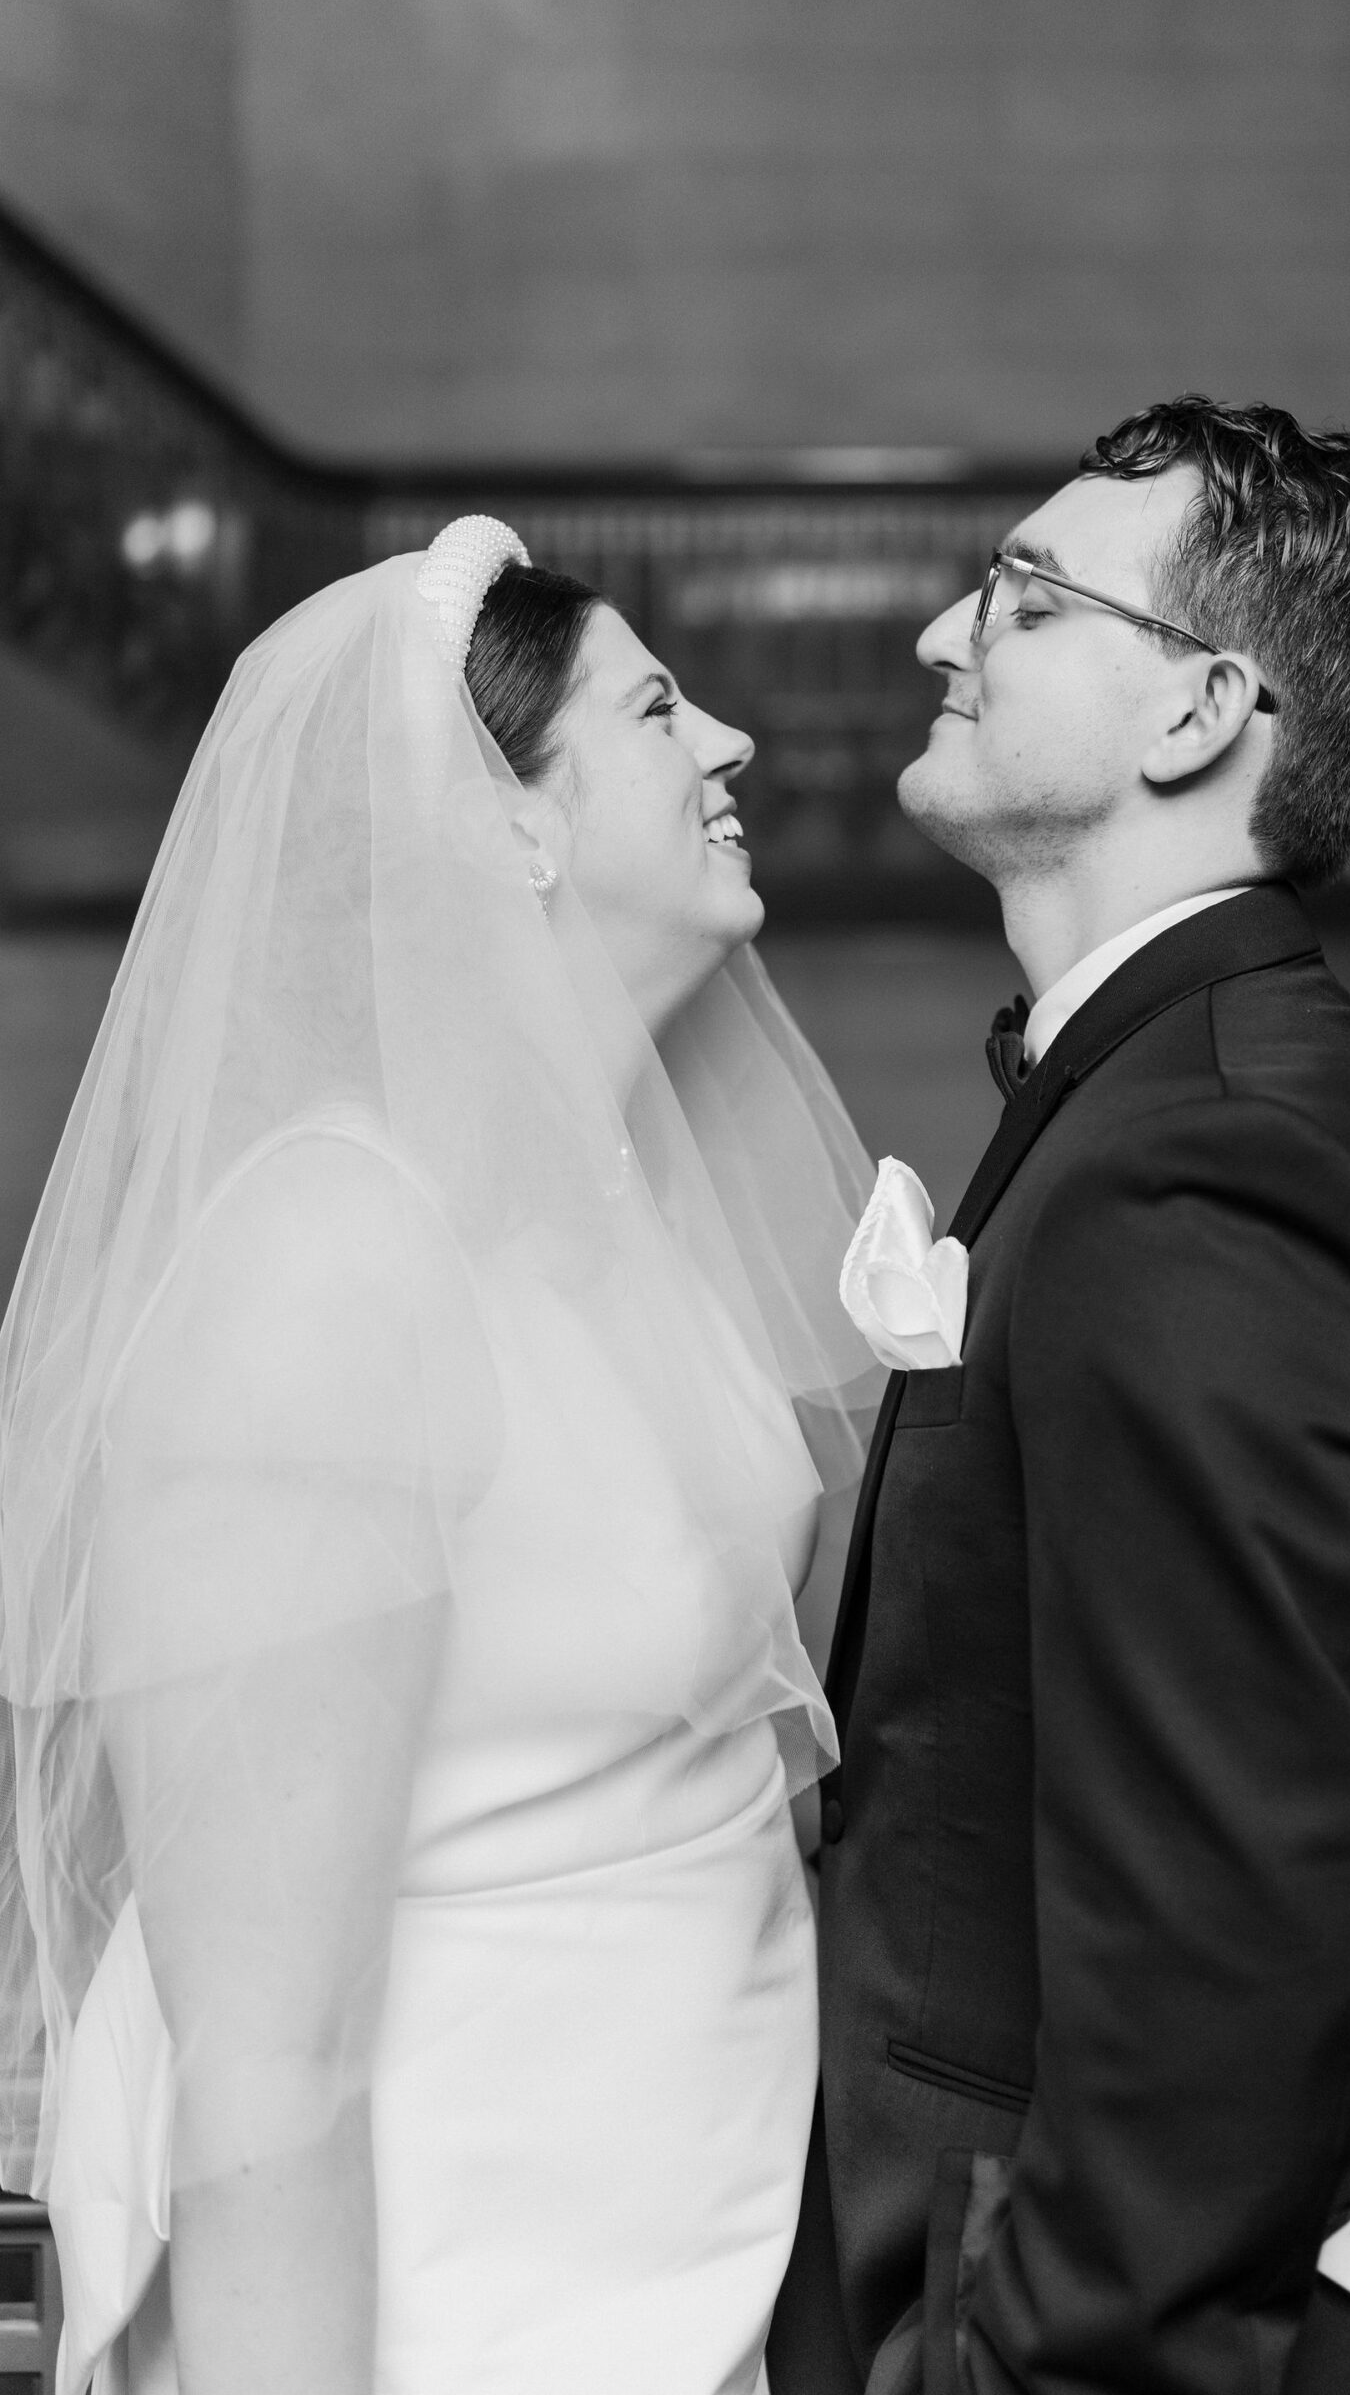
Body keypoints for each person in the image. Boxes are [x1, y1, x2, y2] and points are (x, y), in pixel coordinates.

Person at [0, 517, 883, 2395]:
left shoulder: (606, 1215)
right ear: (509, 823)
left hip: (675, 2285)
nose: (728, 741)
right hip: (442, 2324)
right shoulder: (325, 1267)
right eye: (657, 710)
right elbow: (268, 2061)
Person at [770, 400, 1350, 2394]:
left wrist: (1034, 2366)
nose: (946, 632)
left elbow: (1217, 1931)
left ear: (1200, 710)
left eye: (1021, 596)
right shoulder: (1166, 1097)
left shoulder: (1208, 1160)